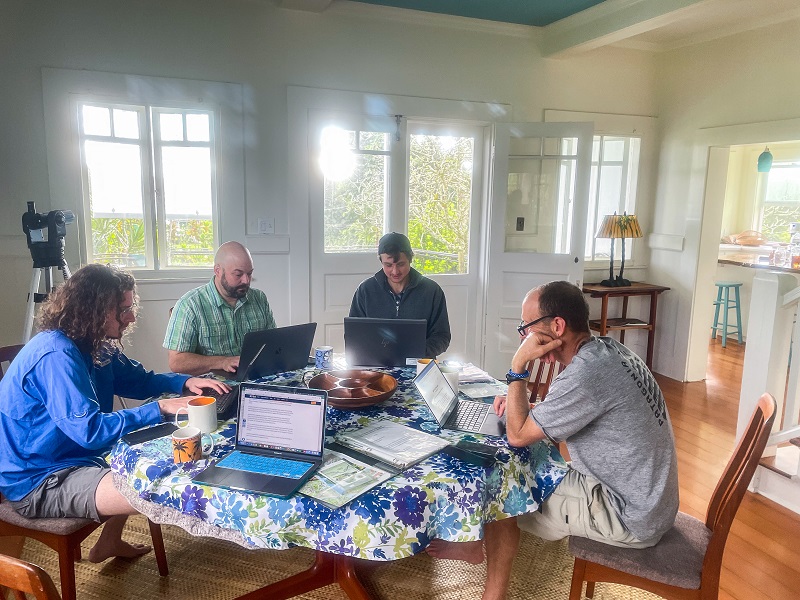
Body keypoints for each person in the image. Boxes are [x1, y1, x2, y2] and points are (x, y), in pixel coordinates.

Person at [427, 280, 679, 600]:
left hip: (627, 514)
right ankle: (475, 542)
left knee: (503, 485)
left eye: (527, 328)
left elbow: (518, 436)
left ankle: (489, 586)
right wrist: (530, 408)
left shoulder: (586, 374)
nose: (524, 338)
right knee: (519, 468)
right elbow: (580, 408)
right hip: (650, 499)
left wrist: (518, 365)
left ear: (557, 326)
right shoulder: (607, 351)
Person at [0, 264, 228, 563]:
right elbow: (90, 432)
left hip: (78, 458)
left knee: (160, 460)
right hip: (41, 480)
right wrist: (158, 408)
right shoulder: (57, 354)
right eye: (123, 309)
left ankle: (108, 543)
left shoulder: (93, 344)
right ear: (93, 310)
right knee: (158, 486)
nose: (131, 317)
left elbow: (140, 380)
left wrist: (184, 382)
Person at [163, 241, 276, 376]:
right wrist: (222, 362)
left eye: (249, 273)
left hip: (255, 378)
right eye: (238, 274)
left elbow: (273, 343)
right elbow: (176, 362)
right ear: (217, 270)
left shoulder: (259, 298)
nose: (246, 280)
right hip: (212, 385)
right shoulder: (190, 305)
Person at [349, 232, 451, 357]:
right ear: (381, 261)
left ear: (410, 259)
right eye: (388, 265)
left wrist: (417, 352)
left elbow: (442, 336)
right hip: (375, 364)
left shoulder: (432, 291)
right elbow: (353, 335)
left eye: (401, 264)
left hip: (419, 363)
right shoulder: (365, 290)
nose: (395, 271)